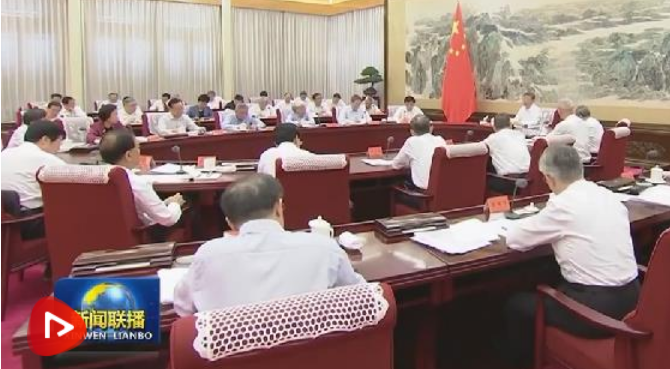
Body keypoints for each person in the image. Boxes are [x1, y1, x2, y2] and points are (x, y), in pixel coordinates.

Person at [503, 145, 639, 365]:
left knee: (517, 304)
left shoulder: (563, 205)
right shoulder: (607, 195)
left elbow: (515, 240)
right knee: (550, 273)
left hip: (597, 311)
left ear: (549, 178)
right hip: (633, 300)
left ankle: (522, 366)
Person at [173, 174, 364, 315]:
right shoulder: (323, 247)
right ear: (279, 208)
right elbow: (361, 297)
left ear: (230, 223)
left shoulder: (208, 255)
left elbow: (183, 309)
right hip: (312, 355)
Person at [99, 130, 185, 227]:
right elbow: (168, 219)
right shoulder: (136, 182)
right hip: (144, 234)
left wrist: (165, 203)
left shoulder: (96, 177)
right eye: (138, 148)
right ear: (129, 155)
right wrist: (175, 203)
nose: (140, 152)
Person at [1, 120, 65, 211]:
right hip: (31, 215)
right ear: (45, 140)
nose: (59, 147)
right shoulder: (48, 160)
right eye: (59, 141)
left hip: (5, 214)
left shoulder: (5, 153)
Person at [391, 115, 446, 190]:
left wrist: (410, 162)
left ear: (412, 131)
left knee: (396, 184)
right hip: (441, 190)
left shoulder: (412, 141)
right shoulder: (440, 140)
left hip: (423, 193)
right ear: (431, 129)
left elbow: (396, 165)